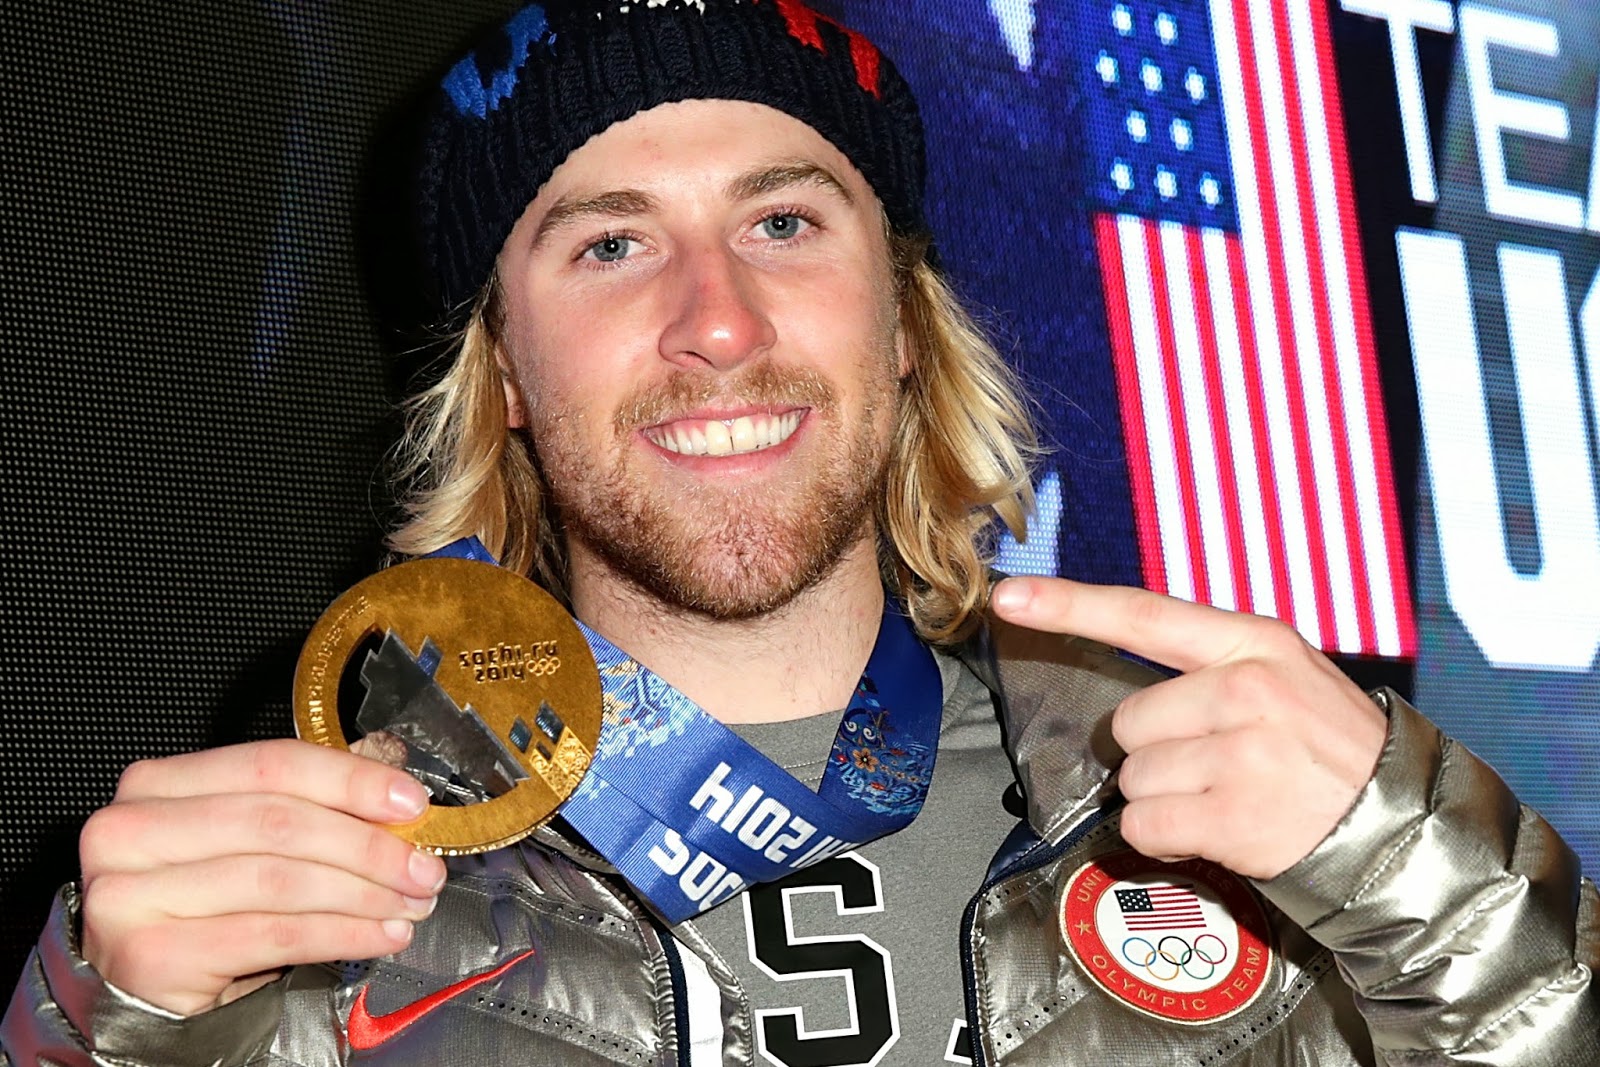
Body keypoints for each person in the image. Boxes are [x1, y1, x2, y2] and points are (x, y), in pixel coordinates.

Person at [5, 2, 1596, 1064]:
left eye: (782, 222)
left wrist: (1459, 910)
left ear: (902, 329)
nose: (718, 319)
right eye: (611, 243)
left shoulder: (1240, 823)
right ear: (505, 380)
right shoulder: (312, 889)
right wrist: (95, 1034)